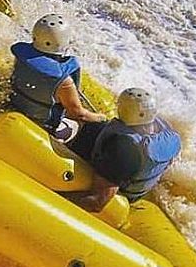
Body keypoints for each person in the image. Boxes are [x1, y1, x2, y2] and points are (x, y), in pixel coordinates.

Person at [65, 88, 182, 211]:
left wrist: (61, 197)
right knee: (98, 127)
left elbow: (97, 202)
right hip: (138, 183)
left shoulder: (124, 149)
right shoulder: (165, 129)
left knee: (90, 130)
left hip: (122, 186)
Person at [9, 14, 107, 142]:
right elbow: (79, 114)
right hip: (42, 127)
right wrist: (102, 118)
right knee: (80, 124)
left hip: (16, 109)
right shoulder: (64, 81)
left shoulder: (21, 56)